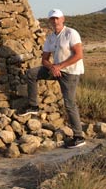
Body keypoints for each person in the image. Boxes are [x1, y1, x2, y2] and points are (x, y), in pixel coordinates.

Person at [21, 9, 86, 148]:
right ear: (49, 21)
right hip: (56, 70)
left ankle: (79, 136)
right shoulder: (50, 37)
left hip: (70, 72)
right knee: (31, 74)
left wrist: (60, 66)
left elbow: (78, 55)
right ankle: (33, 105)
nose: (55, 21)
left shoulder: (71, 33)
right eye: (52, 19)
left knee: (69, 104)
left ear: (63, 19)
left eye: (57, 18)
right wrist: (52, 67)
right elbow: (44, 59)